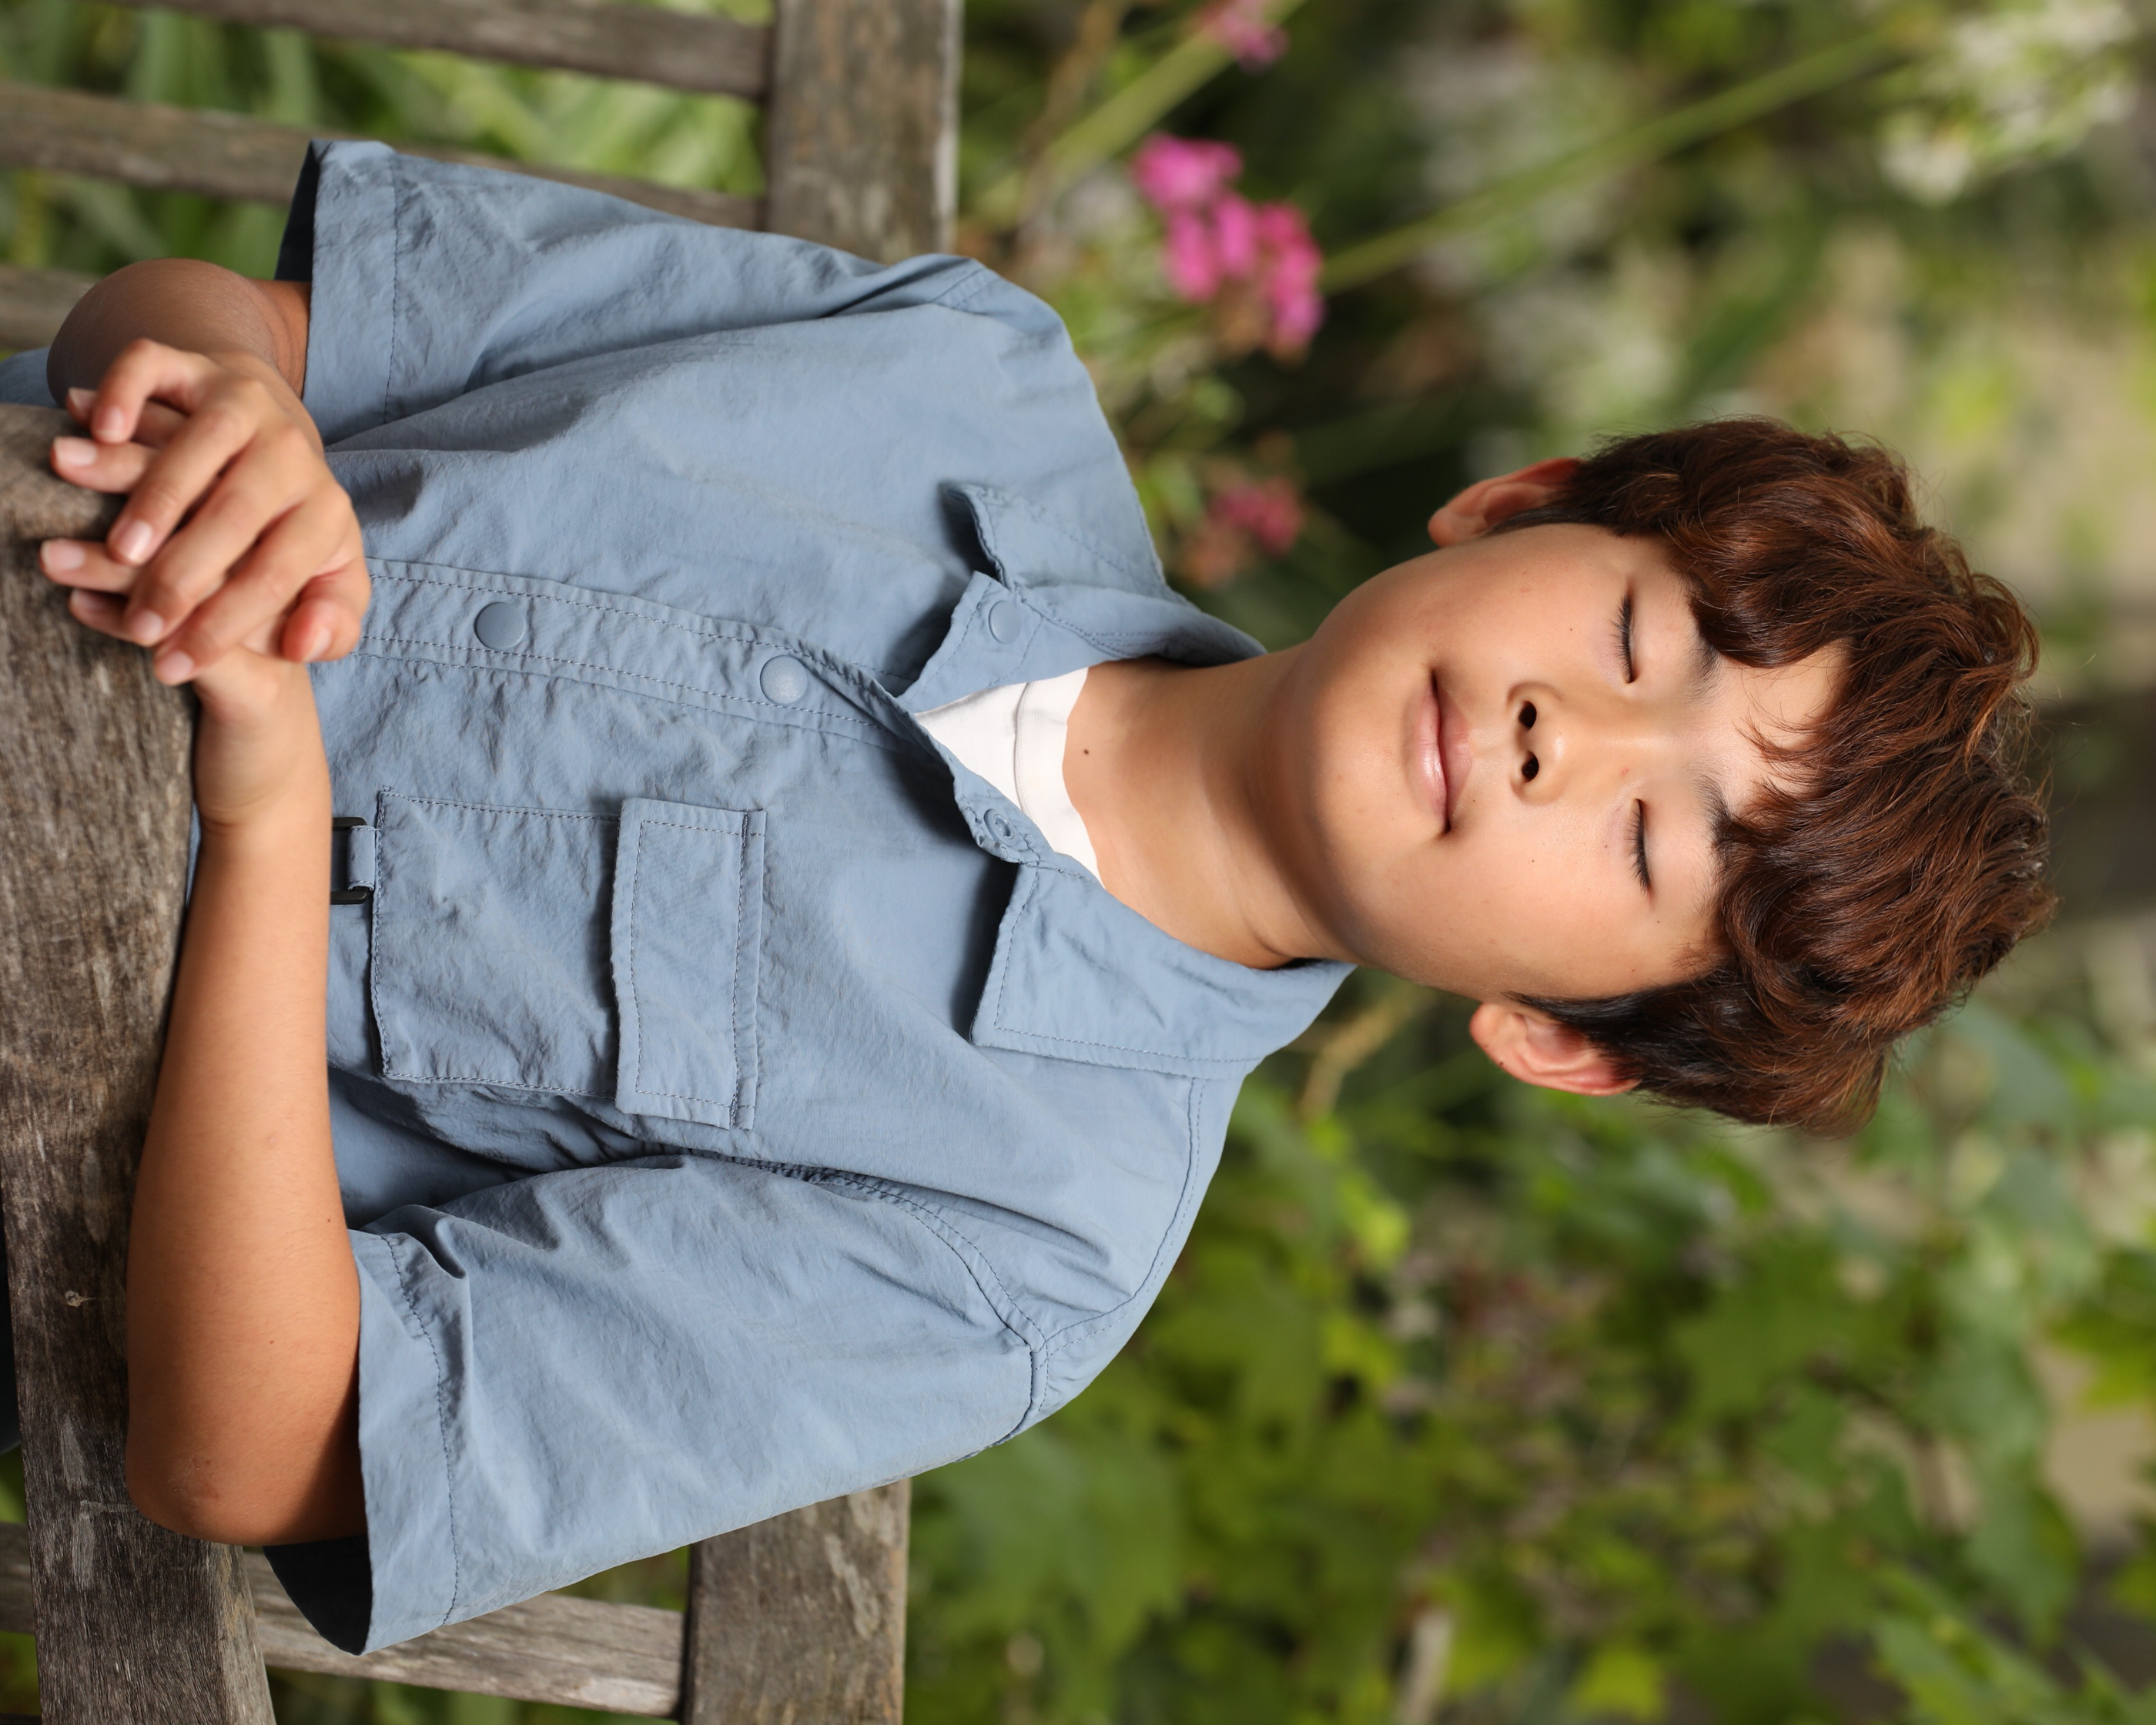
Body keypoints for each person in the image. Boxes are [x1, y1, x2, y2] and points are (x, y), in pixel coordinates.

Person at [10, 142, 2050, 1653]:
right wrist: (222, 402)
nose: (1560, 739)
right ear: (1515, 507)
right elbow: (199, 316)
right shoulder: (963, 371)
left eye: (1649, 843)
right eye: (1632, 635)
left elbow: (250, 1444)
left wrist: (264, 823)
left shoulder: (1020, 1254)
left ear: (1561, 1041)